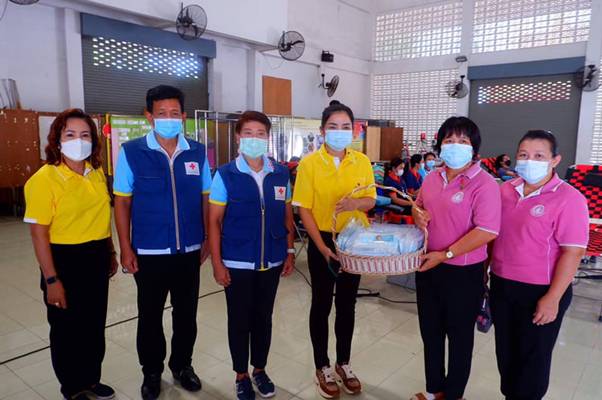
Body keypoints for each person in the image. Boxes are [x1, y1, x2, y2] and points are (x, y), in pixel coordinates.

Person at [113, 85, 212, 400]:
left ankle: (182, 366)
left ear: (183, 116)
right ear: (149, 116)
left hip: (189, 251)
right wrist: (125, 247)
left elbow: (206, 197)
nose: (168, 118)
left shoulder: (197, 152)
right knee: (150, 316)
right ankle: (152, 372)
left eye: (174, 113)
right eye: (161, 113)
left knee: (186, 315)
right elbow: (122, 202)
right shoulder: (131, 152)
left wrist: (207, 239)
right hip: (149, 251)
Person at [24, 108, 118, 400]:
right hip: (63, 261)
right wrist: (51, 279)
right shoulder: (44, 179)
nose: (79, 140)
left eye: (85, 135)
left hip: (96, 256)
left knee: (93, 324)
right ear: (57, 140)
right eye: (70, 134)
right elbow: (39, 234)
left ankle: (91, 379)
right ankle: (73, 387)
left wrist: (110, 251)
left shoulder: (95, 172)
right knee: (66, 329)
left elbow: (102, 217)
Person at [490, 130, 588, 400]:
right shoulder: (505, 190)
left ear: (555, 160)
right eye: (523, 155)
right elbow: (491, 235)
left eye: (538, 156)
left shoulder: (569, 198)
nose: (529, 161)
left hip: (541, 291)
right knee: (506, 354)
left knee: (532, 360)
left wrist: (553, 298)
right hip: (502, 285)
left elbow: (573, 252)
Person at [411, 117, 501, 400]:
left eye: (463, 141)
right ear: (440, 145)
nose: (455, 145)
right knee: (431, 332)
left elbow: (487, 230)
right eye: (449, 140)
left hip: (463, 272)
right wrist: (417, 214)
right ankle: (433, 391)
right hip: (428, 265)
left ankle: (453, 395)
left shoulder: (484, 184)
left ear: (474, 149)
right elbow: (418, 206)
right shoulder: (432, 177)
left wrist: (446, 254)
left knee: (460, 338)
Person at [208, 111, 296, 400]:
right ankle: (241, 375)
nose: (254, 139)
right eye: (248, 133)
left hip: (271, 260)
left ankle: (259, 369)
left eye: (260, 133)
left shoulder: (280, 173)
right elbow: (214, 221)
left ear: (267, 138)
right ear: (238, 137)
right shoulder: (225, 175)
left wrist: (289, 250)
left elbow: (286, 215)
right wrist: (217, 263)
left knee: (264, 318)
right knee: (239, 320)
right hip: (237, 261)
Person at [293, 100, 376, 399]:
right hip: (323, 240)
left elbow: (371, 199)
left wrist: (355, 203)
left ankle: (344, 363)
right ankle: (322, 366)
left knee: (347, 303)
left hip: (353, 241)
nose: (339, 132)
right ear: (322, 131)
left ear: (353, 131)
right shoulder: (309, 164)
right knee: (321, 303)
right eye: (333, 126)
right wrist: (321, 247)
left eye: (345, 127)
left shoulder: (362, 161)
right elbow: (304, 209)